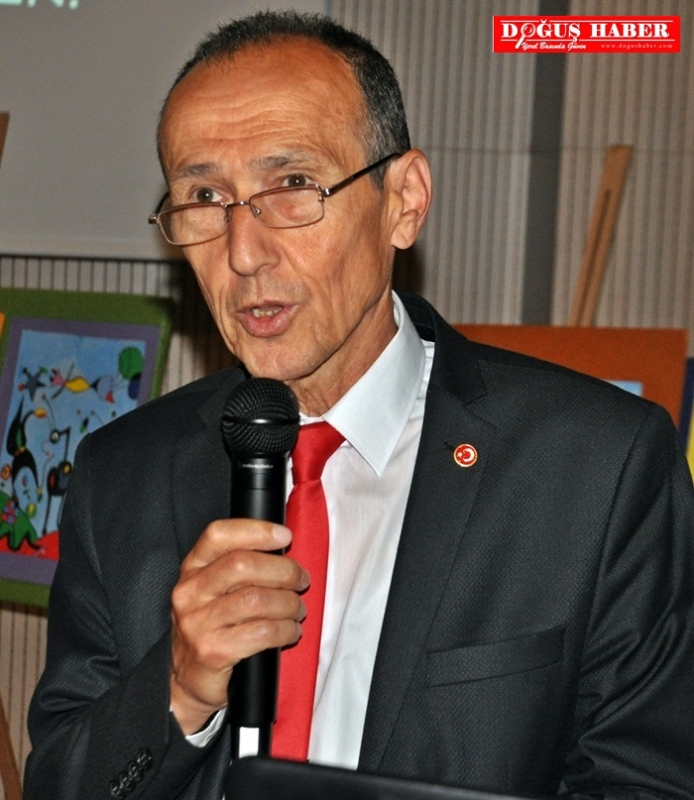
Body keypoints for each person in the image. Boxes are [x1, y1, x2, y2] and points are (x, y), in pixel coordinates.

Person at [24, 10, 694, 800]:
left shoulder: (597, 466)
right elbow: (58, 782)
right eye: (204, 195)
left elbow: (647, 783)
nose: (243, 252)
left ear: (403, 201)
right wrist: (176, 689)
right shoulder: (122, 472)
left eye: (292, 186)